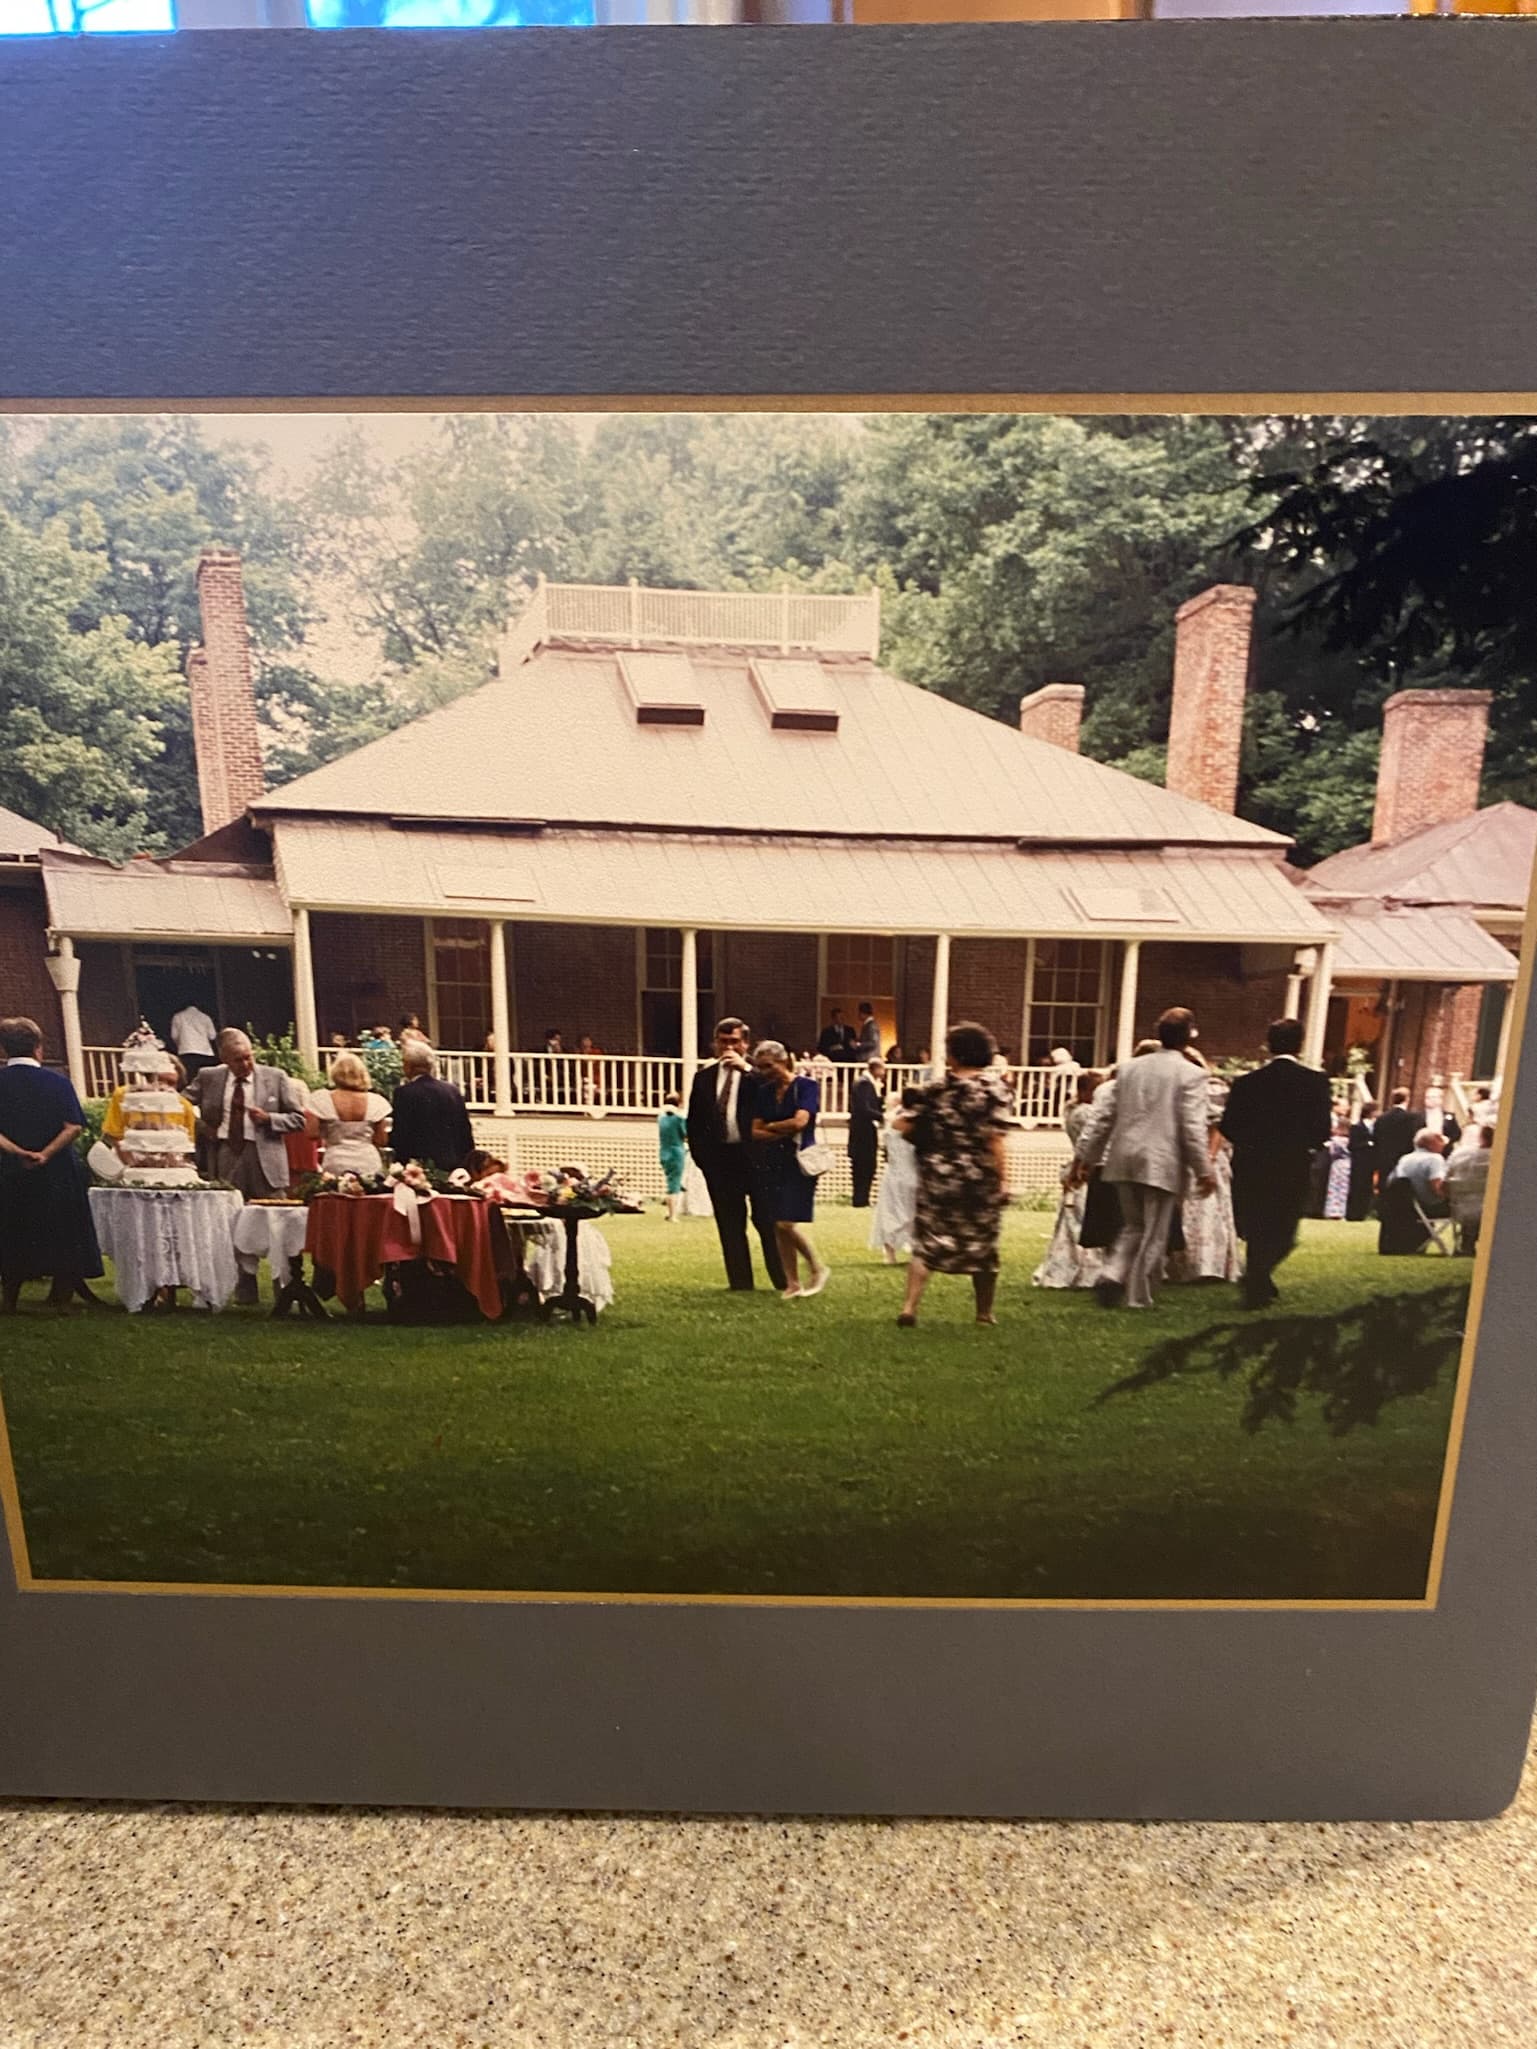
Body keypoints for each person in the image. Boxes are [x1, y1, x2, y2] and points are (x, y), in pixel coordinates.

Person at [1070, 1010, 1212, 1312]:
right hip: (1162, 1158)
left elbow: (1104, 1117)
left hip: (1122, 1156)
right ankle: (1137, 1295)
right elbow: (1192, 1126)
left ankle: (1111, 1274)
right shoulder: (1192, 1074)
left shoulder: (1130, 1068)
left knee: (1133, 1225)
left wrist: (1085, 1157)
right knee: (1154, 1230)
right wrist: (1203, 1169)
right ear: (1189, 1036)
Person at [897, 1020, 1012, 1327]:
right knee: (983, 1246)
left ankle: (909, 1307)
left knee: (927, 1242)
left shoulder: (935, 1089)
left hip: (938, 1174)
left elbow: (903, 1126)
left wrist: (932, 1143)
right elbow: (995, 1140)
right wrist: (1003, 1180)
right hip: (978, 1176)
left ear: (956, 1055)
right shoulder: (995, 1090)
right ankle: (984, 1314)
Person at [182, 1030, 309, 1301]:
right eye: (238, 1060)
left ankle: (284, 1287)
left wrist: (270, 1119)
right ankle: (244, 1284)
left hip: (266, 1156)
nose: (246, 1064)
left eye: (249, 1057)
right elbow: (179, 1106)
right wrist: (205, 1128)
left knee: (277, 1222)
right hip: (228, 1152)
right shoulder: (209, 1077)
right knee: (231, 1221)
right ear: (224, 1059)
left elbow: (299, 1119)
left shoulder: (275, 1077)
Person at [1219, 1016, 1334, 1310]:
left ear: (1269, 1045)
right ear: (1300, 1045)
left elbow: (1229, 1126)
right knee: (1284, 1228)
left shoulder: (1246, 1083)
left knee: (1258, 1225)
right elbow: (1321, 1129)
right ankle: (1259, 1276)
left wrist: (1251, 1141)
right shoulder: (1315, 1082)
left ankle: (1257, 1275)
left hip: (1252, 1162)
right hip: (1291, 1162)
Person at [0, 1016, 104, 1315]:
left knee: (13, 1228)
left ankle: (10, 1297)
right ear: (38, 1048)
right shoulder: (58, 1082)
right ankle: (60, 1296)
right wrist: (45, 1153)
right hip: (56, 1170)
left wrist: (18, 1152)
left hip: (10, 1170)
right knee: (63, 1228)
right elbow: (73, 1126)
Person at [685, 1017, 787, 1293]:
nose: (729, 1047)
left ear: (746, 1044)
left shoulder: (759, 1076)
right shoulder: (703, 1078)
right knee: (730, 1223)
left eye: (735, 1042)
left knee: (767, 1221)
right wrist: (703, 1159)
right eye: (723, 1041)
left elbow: (775, 1097)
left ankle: (782, 1280)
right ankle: (740, 1283)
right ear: (715, 1043)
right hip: (720, 1161)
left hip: (756, 1158)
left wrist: (747, 1069)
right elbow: (694, 1123)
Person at [749, 1039, 829, 1300]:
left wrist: (771, 1127)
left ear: (783, 1061)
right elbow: (754, 1131)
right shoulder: (764, 1091)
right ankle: (792, 1282)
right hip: (774, 1161)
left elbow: (801, 1122)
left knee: (786, 1222)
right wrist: (778, 1129)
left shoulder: (806, 1086)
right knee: (776, 1224)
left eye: (768, 1066)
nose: (764, 1072)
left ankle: (816, 1267)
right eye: (760, 1067)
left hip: (799, 1161)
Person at [1034, 1070, 1106, 1290]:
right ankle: (1086, 1271)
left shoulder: (1073, 1110)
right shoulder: (1084, 1113)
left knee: (1075, 1222)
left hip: (1083, 1167)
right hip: (1086, 1170)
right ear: (1085, 1091)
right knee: (1083, 1223)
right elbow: (1091, 1142)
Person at [1170, 1068, 1241, 1284]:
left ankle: (1208, 1264)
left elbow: (1217, 1128)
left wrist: (1208, 1158)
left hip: (1205, 1156)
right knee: (1184, 1210)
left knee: (1207, 1208)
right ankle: (1180, 1264)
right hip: (1182, 1156)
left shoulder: (1210, 1089)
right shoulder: (1176, 1090)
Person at [389, 1041, 475, 1175]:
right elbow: (464, 1131)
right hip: (451, 1164)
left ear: (409, 1066)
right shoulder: (452, 1090)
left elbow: (401, 1133)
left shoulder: (404, 1093)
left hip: (418, 1167)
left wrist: (399, 1164)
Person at [307, 1051, 392, 1177]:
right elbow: (381, 1140)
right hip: (367, 1159)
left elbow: (312, 1134)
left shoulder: (321, 1099)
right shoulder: (376, 1101)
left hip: (335, 1159)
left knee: (334, 1195)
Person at [870, 1086, 921, 1264]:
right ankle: (916, 1251)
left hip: (892, 1173)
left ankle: (889, 1254)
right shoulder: (917, 1124)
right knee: (913, 1213)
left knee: (889, 1212)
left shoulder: (892, 1120)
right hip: (912, 1173)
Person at [1379, 1130, 1450, 1254]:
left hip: (1409, 1205)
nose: (1443, 1145)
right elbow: (1436, 1186)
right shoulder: (1435, 1159)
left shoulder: (1405, 1158)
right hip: (1429, 1205)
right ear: (1431, 1144)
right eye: (1440, 1142)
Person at [1445, 1121, 1494, 1255]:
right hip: (1491, 1209)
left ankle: (1468, 1242)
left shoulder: (1459, 1154)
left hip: (1459, 1207)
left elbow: (1445, 1176)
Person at [848, 1058, 884, 1209]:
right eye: (882, 1069)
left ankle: (863, 1198)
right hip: (863, 1132)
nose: (884, 1072)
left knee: (867, 1166)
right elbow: (864, 1108)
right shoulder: (864, 1083)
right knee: (864, 1166)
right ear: (875, 1069)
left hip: (865, 1131)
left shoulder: (868, 1083)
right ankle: (861, 1200)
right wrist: (882, 1117)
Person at [1371, 1088, 1420, 1199]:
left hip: (1384, 1157)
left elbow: (1375, 1137)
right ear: (1407, 1099)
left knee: (1384, 1184)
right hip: (1403, 1157)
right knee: (1400, 1186)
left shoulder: (1381, 1118)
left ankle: (1382, 1208)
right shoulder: (1411, 1118)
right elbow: (1413, 1138)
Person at [657, 1091, 688, 1223]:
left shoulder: (661, 1118)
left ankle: (671, 1210)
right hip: (676, 1152)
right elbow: (685, 1134)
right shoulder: (679, 1119)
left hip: (664, 1152)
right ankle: (672, 1215)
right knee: (674, 1185)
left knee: (673, 1182)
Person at [169, 999, 217, 1077]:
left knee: (190, 1078)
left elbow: (174, 1035)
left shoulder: (178, 1017)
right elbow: (212, 1036)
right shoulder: (205, 1017)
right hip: (205, 1052)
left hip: (186, 1051)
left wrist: (180, 1044)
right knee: (206, 1078)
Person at [1347, 1101, 1378, 1220]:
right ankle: (1353, 1213)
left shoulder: (1375, 1127)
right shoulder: (1357, 1127)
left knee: (1367, 1187)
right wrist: (1367, 1144)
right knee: (1357, 1186)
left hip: (1370, 1162)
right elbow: (1352, 1145)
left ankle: (1364, 1212)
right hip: (1359, 1162)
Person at [1321, 1117, 1354, 1220]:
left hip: (1337, 1165)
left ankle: (1332, 1211)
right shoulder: (1351, 1140)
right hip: (1348, 1164)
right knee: (1344, 1189)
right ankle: (1342, 1211)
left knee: (1334, 1187)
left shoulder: (1335, 1141)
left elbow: (1332, 1153)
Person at [1419, 1084, 1461, 1150]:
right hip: (1423, 1149)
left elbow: (1457, 1133)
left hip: (1444, 1150)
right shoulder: (1418, 1116)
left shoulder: (1449, 1116)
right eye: (1427, 1097)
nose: (1429, 1099)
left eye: (1433, 1097)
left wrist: (1448, 1140)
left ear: (1440, 1099)